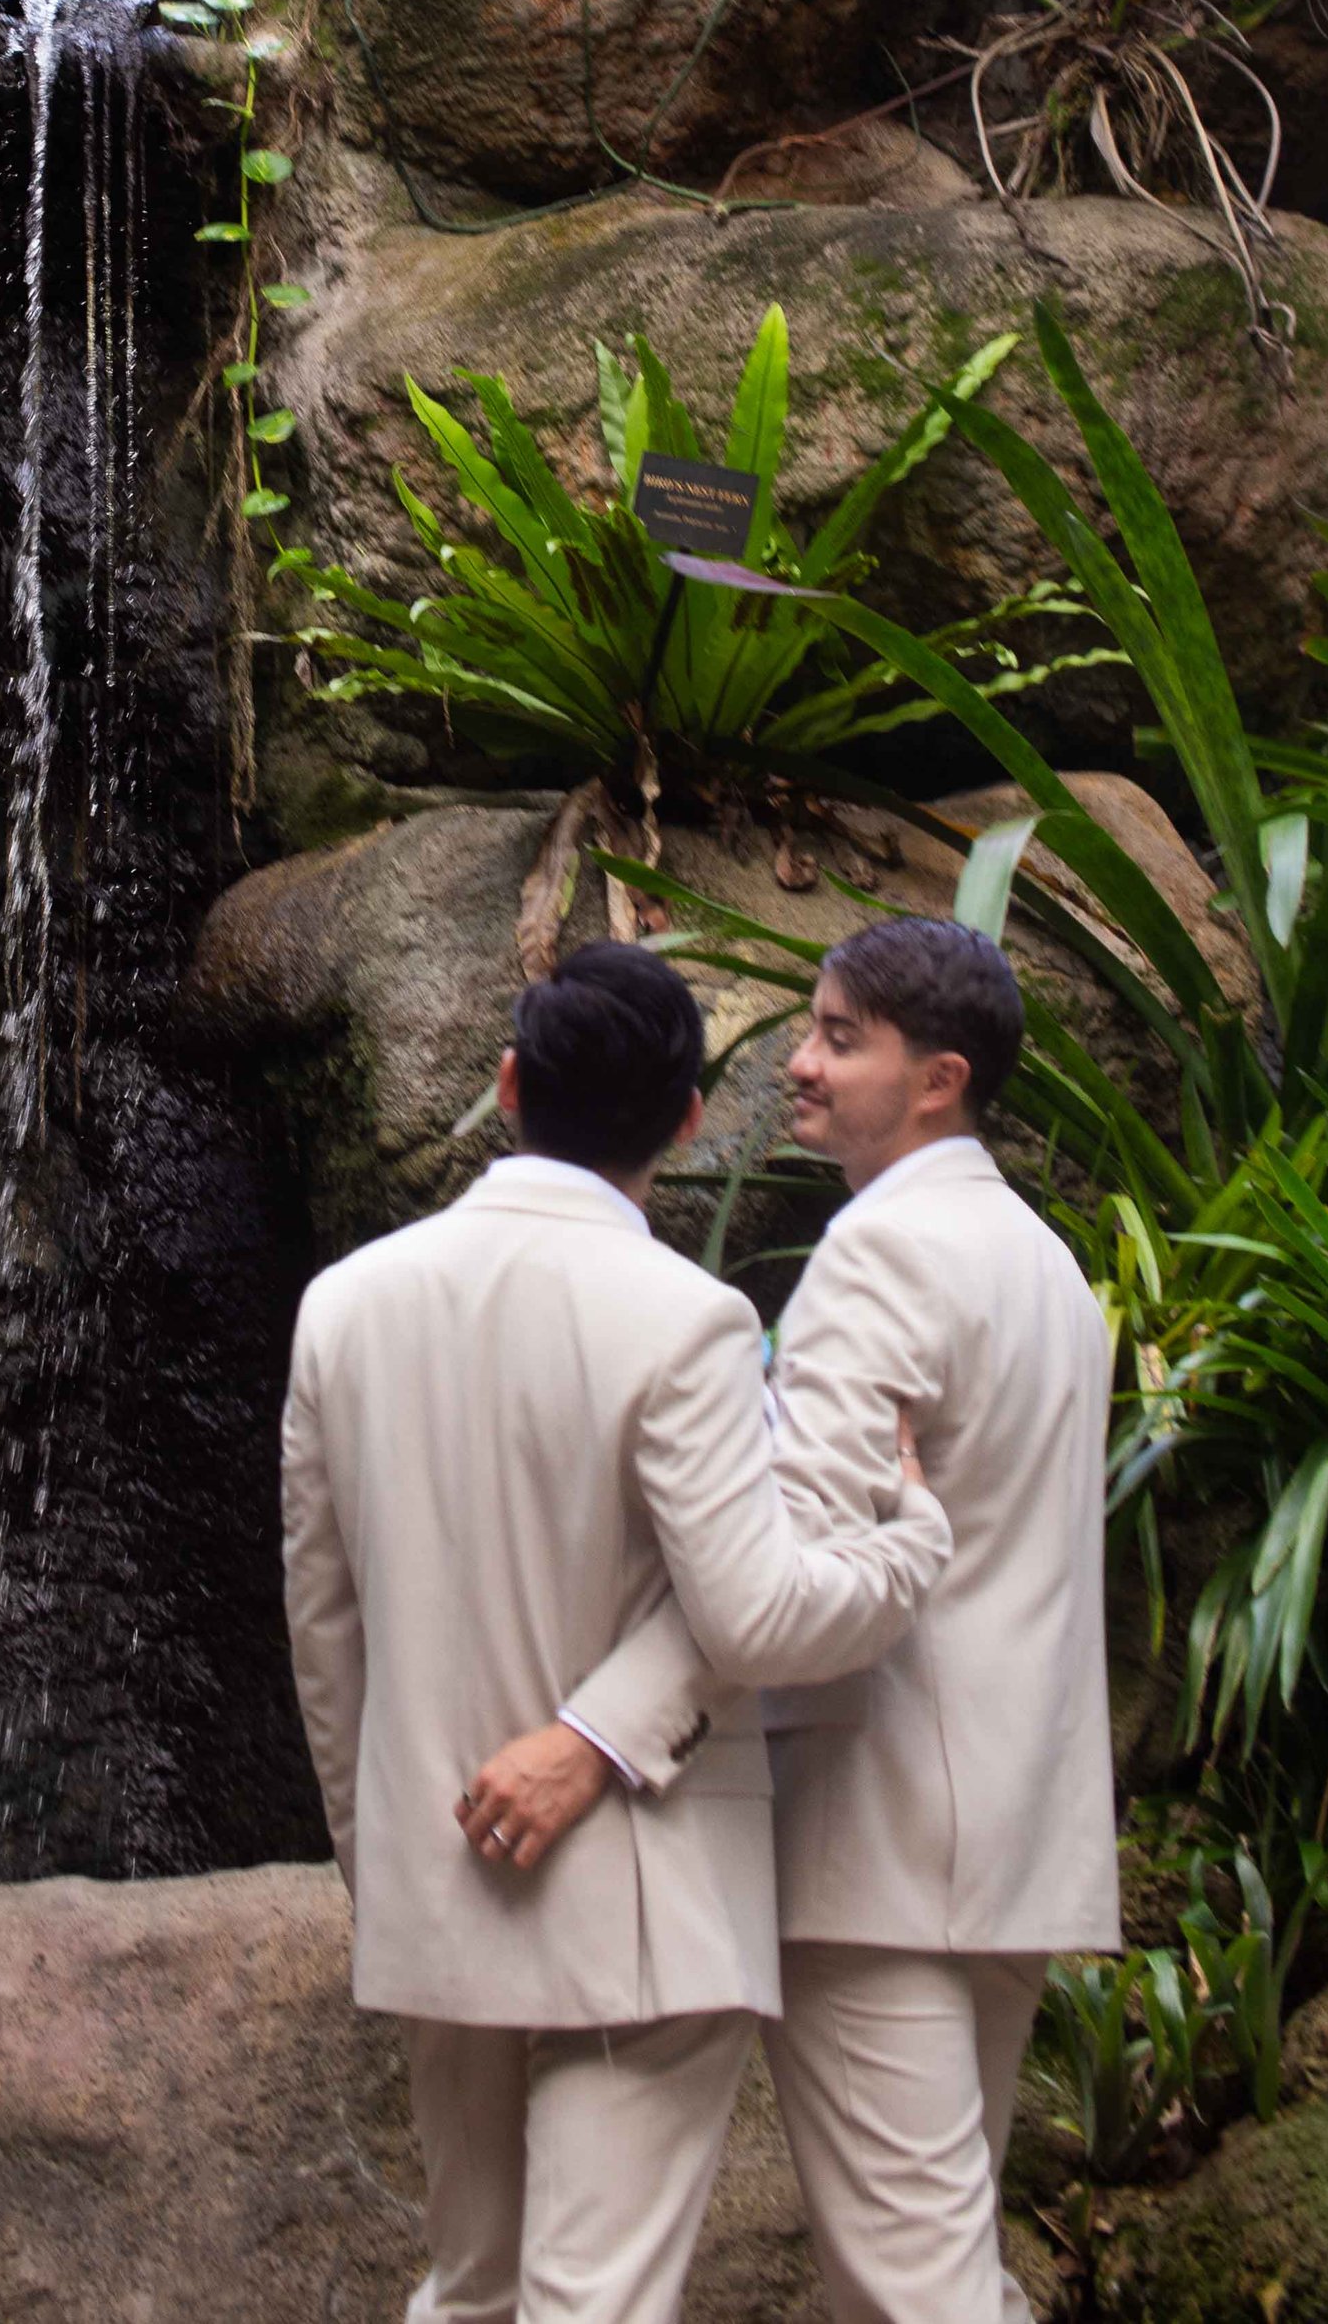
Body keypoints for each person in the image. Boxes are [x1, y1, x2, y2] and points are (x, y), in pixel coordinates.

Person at [281, 938, 955, 2324]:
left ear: (510, 1081)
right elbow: (754, 1611)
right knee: (593, 2303)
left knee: (468, 2290)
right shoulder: (688, 1318)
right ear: (692, 1121)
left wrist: (386, 1861)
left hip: (437, 1877)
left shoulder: (340, 1307)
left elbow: (324, 1628)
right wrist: (906, 1546)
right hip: (643, 1911)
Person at [460, 915, 1120, 2324]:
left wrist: (598, 1737)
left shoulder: (878, 1260)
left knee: (915, 2291)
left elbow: (782, 1574)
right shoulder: (1049, 1264)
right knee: (947, 2263)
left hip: (878, 1846)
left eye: (837, 1036)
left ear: (937, 1078)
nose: (799, 1065)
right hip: (1017, 1843)